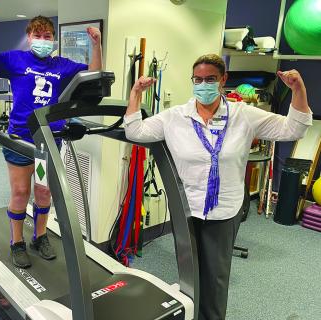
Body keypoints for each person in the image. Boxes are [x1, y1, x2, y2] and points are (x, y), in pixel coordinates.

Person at [124, 54, 313, 320]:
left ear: (223, 80)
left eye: (210, 79)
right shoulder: (175, 117)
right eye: (198, 79)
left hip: (224, 210)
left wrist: (298, 89)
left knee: (214, 279)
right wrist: (135, 94)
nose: (203, 84)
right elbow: (135, 132)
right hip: (186, 208)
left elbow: (294, 129)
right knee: (188, 275)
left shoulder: (243, 115)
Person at [0, 8, 102, 268]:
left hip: (48, 140)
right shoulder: (16, 60)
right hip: (21, 138)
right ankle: (16, 241)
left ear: (53, 39)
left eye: (48, 35)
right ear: (29, 37)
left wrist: (96, 45)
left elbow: (93, 75)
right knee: (20, 192)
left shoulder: (62, 65)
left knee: (43, 192)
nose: (43, 39)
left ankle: (39, 236)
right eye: (38, 34)